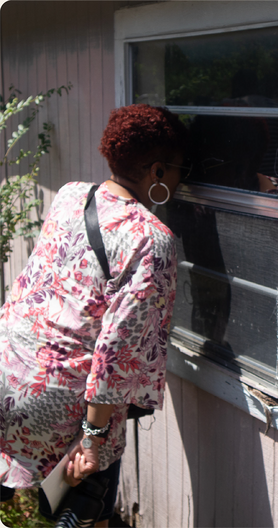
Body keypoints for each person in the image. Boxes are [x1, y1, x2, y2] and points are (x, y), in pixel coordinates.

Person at [0, 104, 189, 527]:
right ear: (158, 171)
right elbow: (115, 352)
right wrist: (92, 439)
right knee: (88, 513)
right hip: (62, 402)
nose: (181, 181)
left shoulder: (71, 195)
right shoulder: (151, 240)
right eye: (180, 170)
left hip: (9, 372)